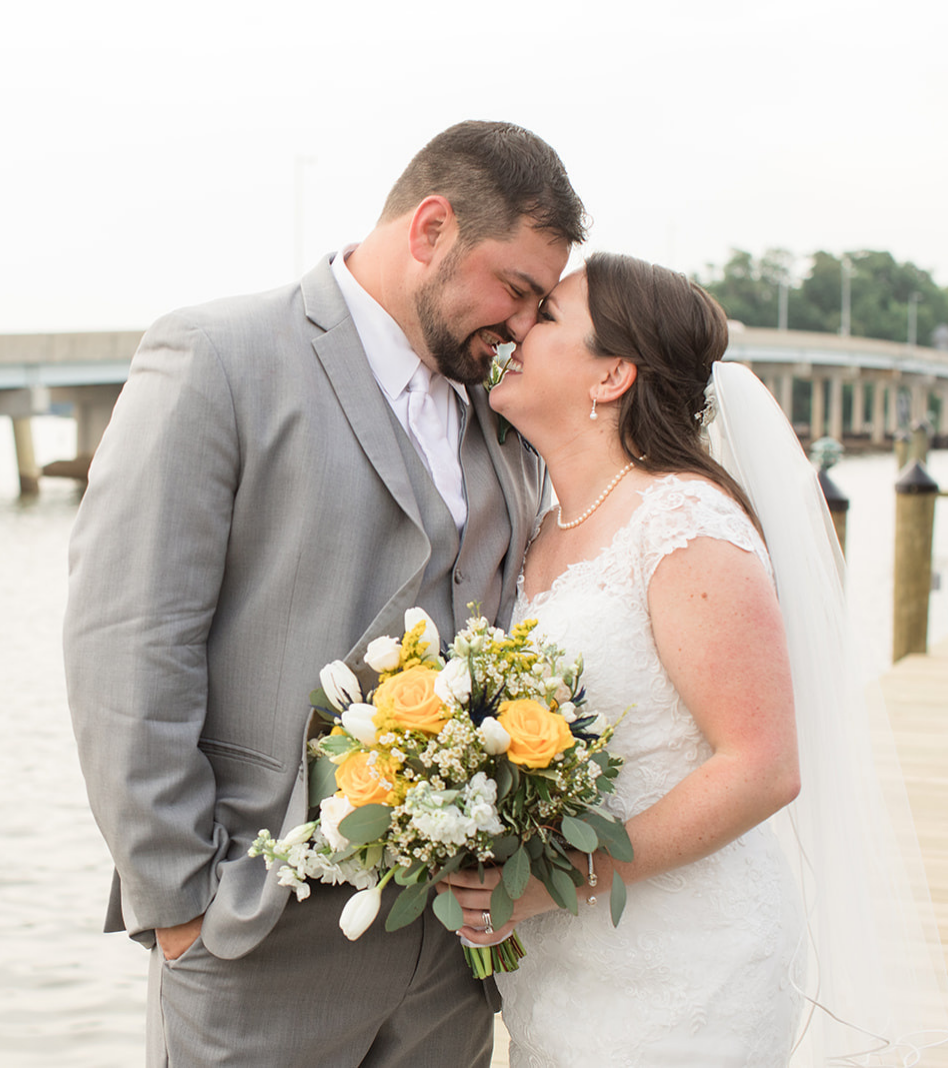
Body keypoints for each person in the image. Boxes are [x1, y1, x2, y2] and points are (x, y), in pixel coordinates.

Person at [64, 121, 586, 1066]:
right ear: (431, 228)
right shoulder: (217, 356)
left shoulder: (499, 408)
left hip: (450, 961)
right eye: (515, 288)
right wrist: (182, 901)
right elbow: (127, 638)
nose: (519, 325)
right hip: (259, 930)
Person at [445, 252, 948, 1065]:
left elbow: (762, 767)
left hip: (689, 963)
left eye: (544, 318)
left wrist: (554, 879)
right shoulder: (539, 522)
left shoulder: (684, 521)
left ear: (611, 374)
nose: (515, 328)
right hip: (564, 962)